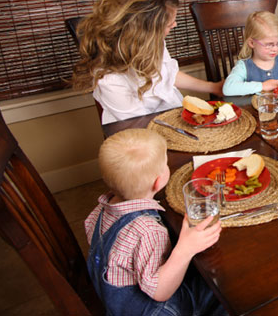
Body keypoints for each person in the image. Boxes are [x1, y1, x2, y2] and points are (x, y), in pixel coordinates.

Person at [85, 128, 226, 316]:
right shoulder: (148, 231)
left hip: (115, 304)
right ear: (158, 182)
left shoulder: (99, 210)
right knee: (218, 291)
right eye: (166, 164)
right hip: (154, 310)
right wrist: (186, 249)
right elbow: (160, 292)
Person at [72, 0, 224, 124]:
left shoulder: (152, 41)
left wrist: (213, 87)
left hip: (172, 116)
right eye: (168, 24)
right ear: (143, 32)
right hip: (141, 133)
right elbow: (141, 125)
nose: (175, 24)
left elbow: (168, 74)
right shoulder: (109, 79)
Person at [222, 11, 278, 96]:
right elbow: (228, 89)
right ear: (252, 43)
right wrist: (262, 86)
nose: (275, 49)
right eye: (269, 45)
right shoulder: (243, 67)